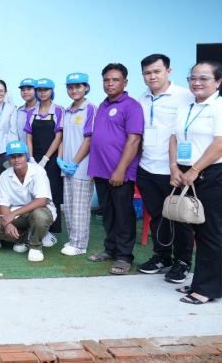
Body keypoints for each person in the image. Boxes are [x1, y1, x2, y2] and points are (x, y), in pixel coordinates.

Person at [136, 54, 195, 281]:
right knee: (157, 217)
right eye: (147, 73)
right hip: (146, 168)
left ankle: (182, 262)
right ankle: (162, 257)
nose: (152, 76)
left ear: (168, 71)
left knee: (181, 219)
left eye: (157, 71)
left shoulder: (185, 96)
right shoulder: (143, 97)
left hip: (174, 171)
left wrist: (181, 167)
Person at [170, 60, 222, 304]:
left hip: (211, 174)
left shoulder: (219, 106)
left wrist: (195, 170)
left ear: (218, 82)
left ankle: (207, 288)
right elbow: (174, 138)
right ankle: (201, 281)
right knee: (196, 231)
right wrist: (174, 167)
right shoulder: (187, 106)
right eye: (193, 77)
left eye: (204, 78)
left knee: (210, 231)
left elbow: (219, 145)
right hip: (186, 173)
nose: (197, 82)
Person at [87, 63, 144, 275]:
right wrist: (95, 170)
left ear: (125, 82)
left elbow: (133, 140)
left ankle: (124, 257)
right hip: (101, 171)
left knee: (123, 214)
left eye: (115, 80)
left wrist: (120, 170)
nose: (110, 84)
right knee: (108, 213)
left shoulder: (132, 106)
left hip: (120, 172)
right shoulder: (102, 106)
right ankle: (110, 250)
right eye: (106, 80)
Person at [0, 141, 56, 263]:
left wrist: (13, 214)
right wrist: (7, 224)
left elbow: (42, 201)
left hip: (39, 210)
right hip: (17, 213)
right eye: (12, 157)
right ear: (8, 159)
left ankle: (35, 247)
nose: (16, 160)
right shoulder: (4, 175)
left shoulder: (38, 171)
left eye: (20, 156)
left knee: (40, 216)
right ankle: (30, 236)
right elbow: (3, 204)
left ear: (27, 156)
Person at [56, 73, 96, 256]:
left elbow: (89, 139)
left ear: (86, 87)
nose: (74, 90)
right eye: (70, 87)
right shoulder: (67, 111)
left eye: (78, 86)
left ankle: (80, 244)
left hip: (82, 166)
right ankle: (73, 240)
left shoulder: (90, 109)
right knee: (70, 206)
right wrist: (61, 159)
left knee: (80, 207)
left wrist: (74, 162)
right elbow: (62, 137)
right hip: (67, 166)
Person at [24, 78, 64, 245]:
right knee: (34, 192)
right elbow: (29, 137)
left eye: (46, 89)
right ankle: (34, 227)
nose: (42, 92)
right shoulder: (31, 112)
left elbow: (59, 137)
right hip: (35, 159)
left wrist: (46, 159)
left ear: (52, 91)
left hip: (52, 159)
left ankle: (50, 231)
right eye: (39, 90)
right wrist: (32, 158)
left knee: (52, 193)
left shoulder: (59, 110)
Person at [16, 78, 38, 144]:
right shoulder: (19, 110)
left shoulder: (42, 109)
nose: (25, 92)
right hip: (22, 148)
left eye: (29, 89)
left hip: (39, 149)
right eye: (22, 90)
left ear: (36, 90)